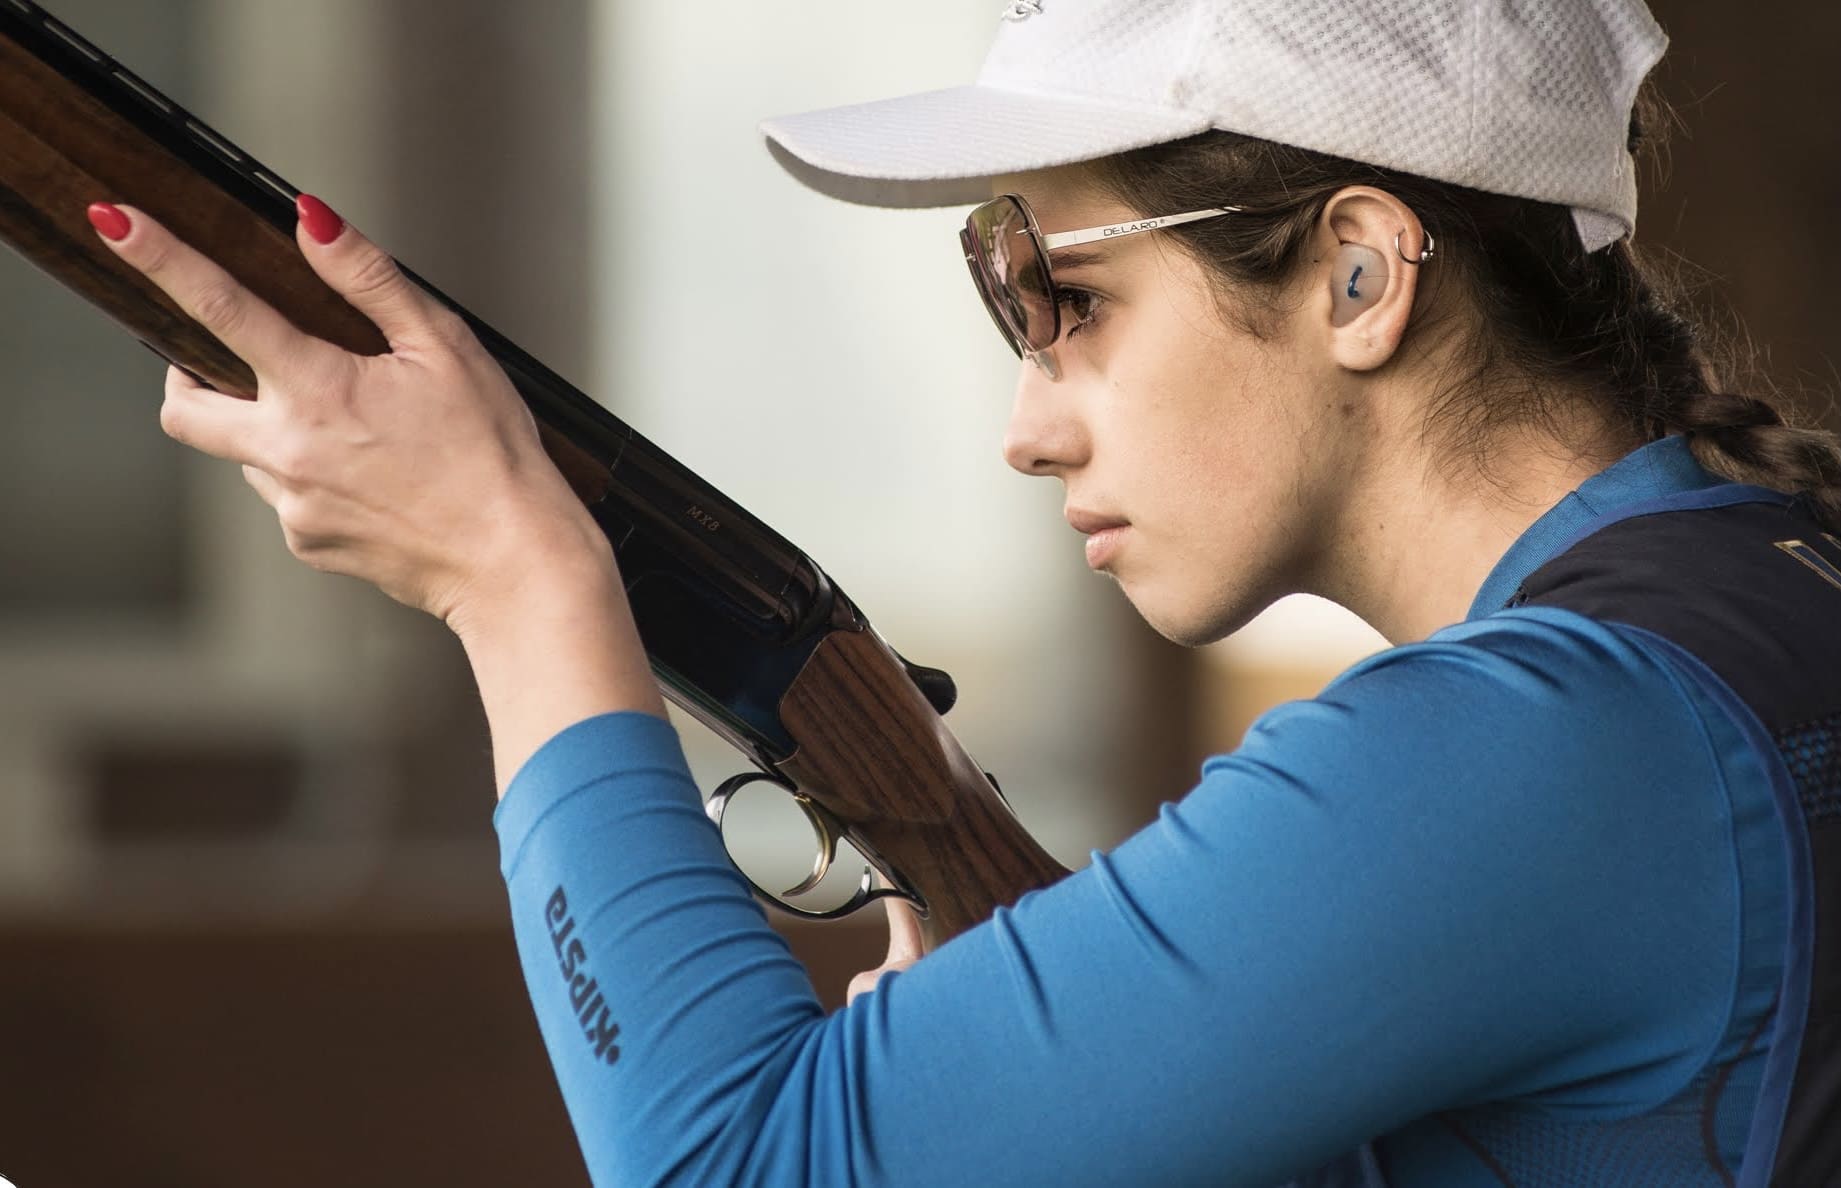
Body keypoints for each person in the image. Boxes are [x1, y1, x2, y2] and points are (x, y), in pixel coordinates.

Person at [79, 0, 1841, 1183]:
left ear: (1361, 273)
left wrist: (518, 583)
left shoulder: (1530, 754)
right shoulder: (1742, 601)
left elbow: (728, 1165)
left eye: (1058, 296)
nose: (1022, 421)